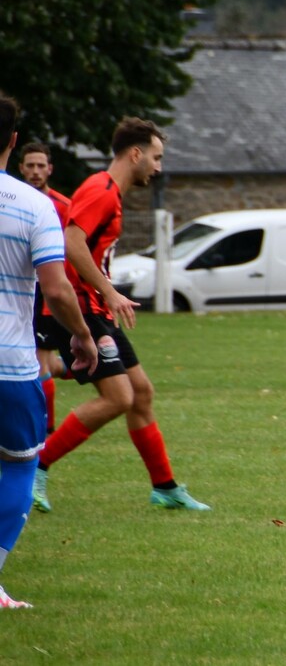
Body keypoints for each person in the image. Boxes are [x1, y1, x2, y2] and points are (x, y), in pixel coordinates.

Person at [32, 116, 211, 512]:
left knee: (141, 393)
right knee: (118, 398)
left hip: (97, 310)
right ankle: (35, 469)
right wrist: (109, 291)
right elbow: (72, 243)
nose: (158, 167)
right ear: (135, 154)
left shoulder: (108, 190)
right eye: (156, 157)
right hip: (82, 310)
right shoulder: (102, 191)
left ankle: (164, 487)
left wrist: (106, 295)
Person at [0, 93, 98, 609]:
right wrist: (81, 335)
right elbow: (57, 290)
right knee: (19, 465)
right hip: (11, 364)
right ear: (13, 142)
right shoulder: (34, 205)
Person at [19, 142, 72, 434]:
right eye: (30, 165)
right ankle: (77, 366)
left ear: (50, 169)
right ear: (21, 168)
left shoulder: (63, 207)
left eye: (41, 166)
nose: (36, 171)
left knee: (40, 360)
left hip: (47, 293)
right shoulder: (13, 201)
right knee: (44, 359)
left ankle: (46, 429)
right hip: (19, 290)